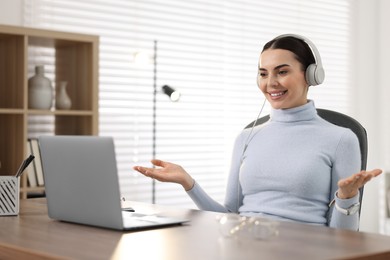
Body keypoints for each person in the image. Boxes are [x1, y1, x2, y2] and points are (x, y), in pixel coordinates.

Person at [133, 34, 382, 230]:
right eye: (263, 73)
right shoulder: (247, 137)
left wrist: (347, 197)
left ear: (311, 75)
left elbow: (343, 238)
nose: (270, 82)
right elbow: (230, 217)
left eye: (282, 71)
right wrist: (188, 183)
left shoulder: (341, 138)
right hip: (245, 245)